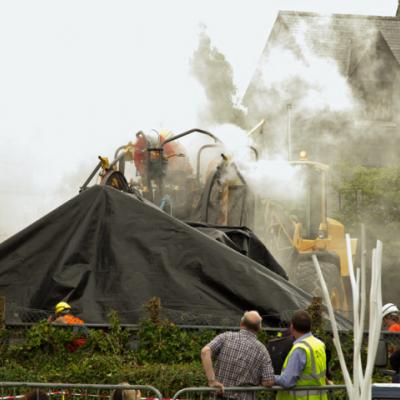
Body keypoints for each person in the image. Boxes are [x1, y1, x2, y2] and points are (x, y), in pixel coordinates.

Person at [200, 311, 274, 400]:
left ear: (241, 324)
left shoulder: (225, 337)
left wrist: (212, 381)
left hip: (219, 396)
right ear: (259, 328)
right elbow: (269, 382)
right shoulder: (262, 350)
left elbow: (205, 352)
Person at [275, 310, 328, 400]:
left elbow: (287, 381)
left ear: (292, 327)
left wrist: (270, 377)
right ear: (310, 326)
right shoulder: (319, 344)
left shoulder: (300, 349)